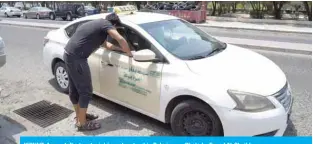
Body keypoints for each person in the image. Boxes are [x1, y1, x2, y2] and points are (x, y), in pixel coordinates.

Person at [63, 12, 132, 131]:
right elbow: (119, 38)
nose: (114, 30)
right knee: (86, 91)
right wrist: (129, 53)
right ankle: (83, 124)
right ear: (113, 24)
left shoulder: (98, 27)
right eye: (115, 28)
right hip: (78, 58)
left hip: (69, 55)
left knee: (74, 90)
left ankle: (80, 116)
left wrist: (121, 50)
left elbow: (107, 45)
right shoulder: (106, 24)